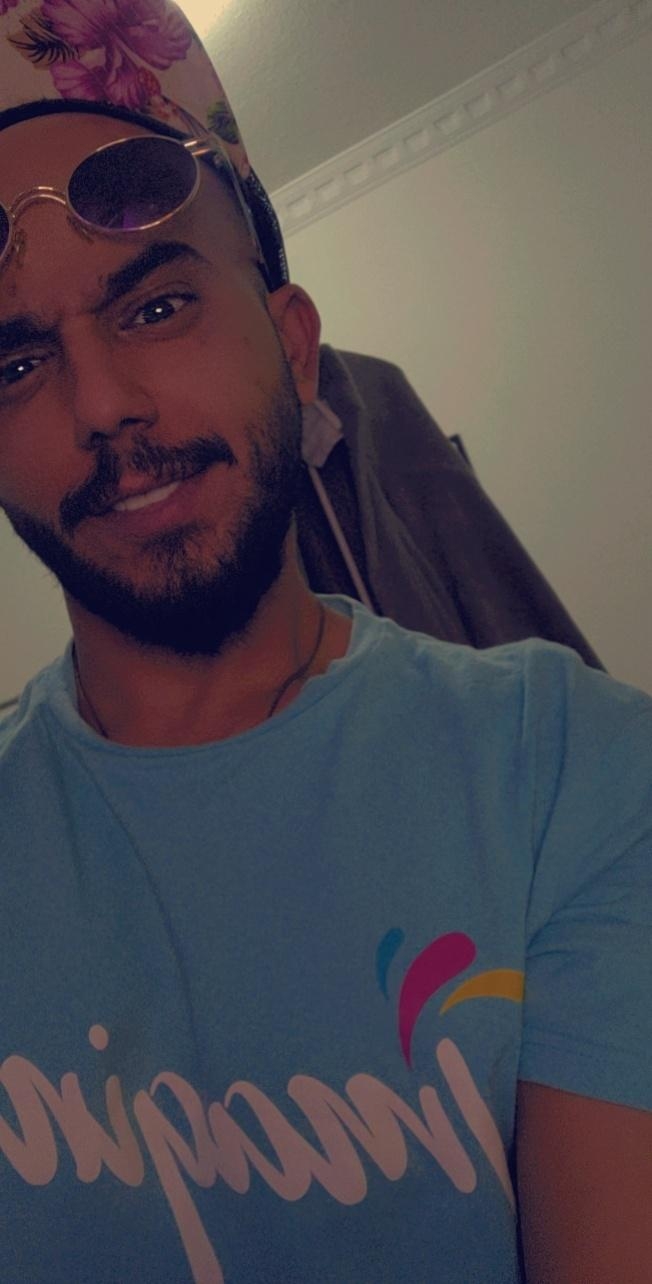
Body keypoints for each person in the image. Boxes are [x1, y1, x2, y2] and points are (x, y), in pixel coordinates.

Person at [0, 3, 650, 1281]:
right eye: (15, 366)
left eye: (157, 306)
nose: (104, 406)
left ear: (293, 349)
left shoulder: (571, 767)